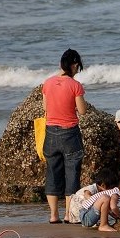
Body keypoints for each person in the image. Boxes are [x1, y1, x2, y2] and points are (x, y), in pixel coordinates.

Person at [42, 49, 88, 224]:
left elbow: (45, 108)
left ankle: (54, 215)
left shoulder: (47, 83)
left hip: (50, 132)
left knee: (52, 172)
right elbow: (82, 111)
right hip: (70, 133)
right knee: (72, 172)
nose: (77, 70)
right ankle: (69, 214)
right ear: (74, 64)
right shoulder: (75, 85)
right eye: (78, 67)